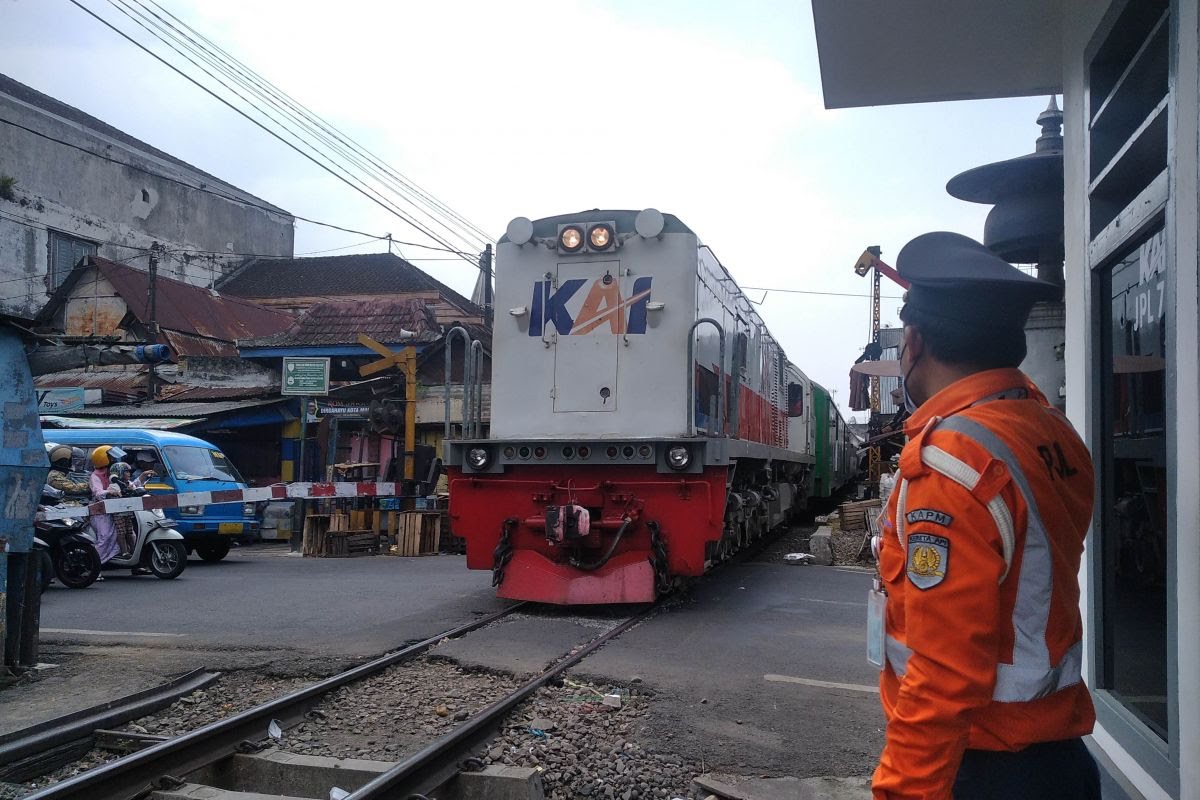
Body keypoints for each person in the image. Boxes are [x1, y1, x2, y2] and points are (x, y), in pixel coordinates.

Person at [870, 232, 1098, 800]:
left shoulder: (951, 462)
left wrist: (903, 793)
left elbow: (943, 668)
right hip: (1059, 760)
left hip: (985, 767)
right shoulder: (1052, 433)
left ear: (914, 343)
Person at [88, 445, 127, 567]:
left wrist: (140, 480)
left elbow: (127, 483)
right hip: (99, 511)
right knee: (104, 537)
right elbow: (98, 492)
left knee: (115, 535)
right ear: (104, 459)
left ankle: (103, 563)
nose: (114, 460)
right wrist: (109, 492)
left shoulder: (112, 473)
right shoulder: (95, 476)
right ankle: (92, 566)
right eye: (111, 458)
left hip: (112, 509)